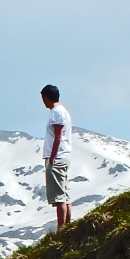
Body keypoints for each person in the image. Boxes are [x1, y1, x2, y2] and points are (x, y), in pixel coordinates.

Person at [40, 84, 72, 229]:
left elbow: (58, 136)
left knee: (59, 197)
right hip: (62, 155)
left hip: (57, 156)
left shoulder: (57, 112)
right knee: (64, 194)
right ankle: (67, 225)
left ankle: (61, 228)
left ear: (46, 97)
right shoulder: (61, 111)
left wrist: (52, 156)